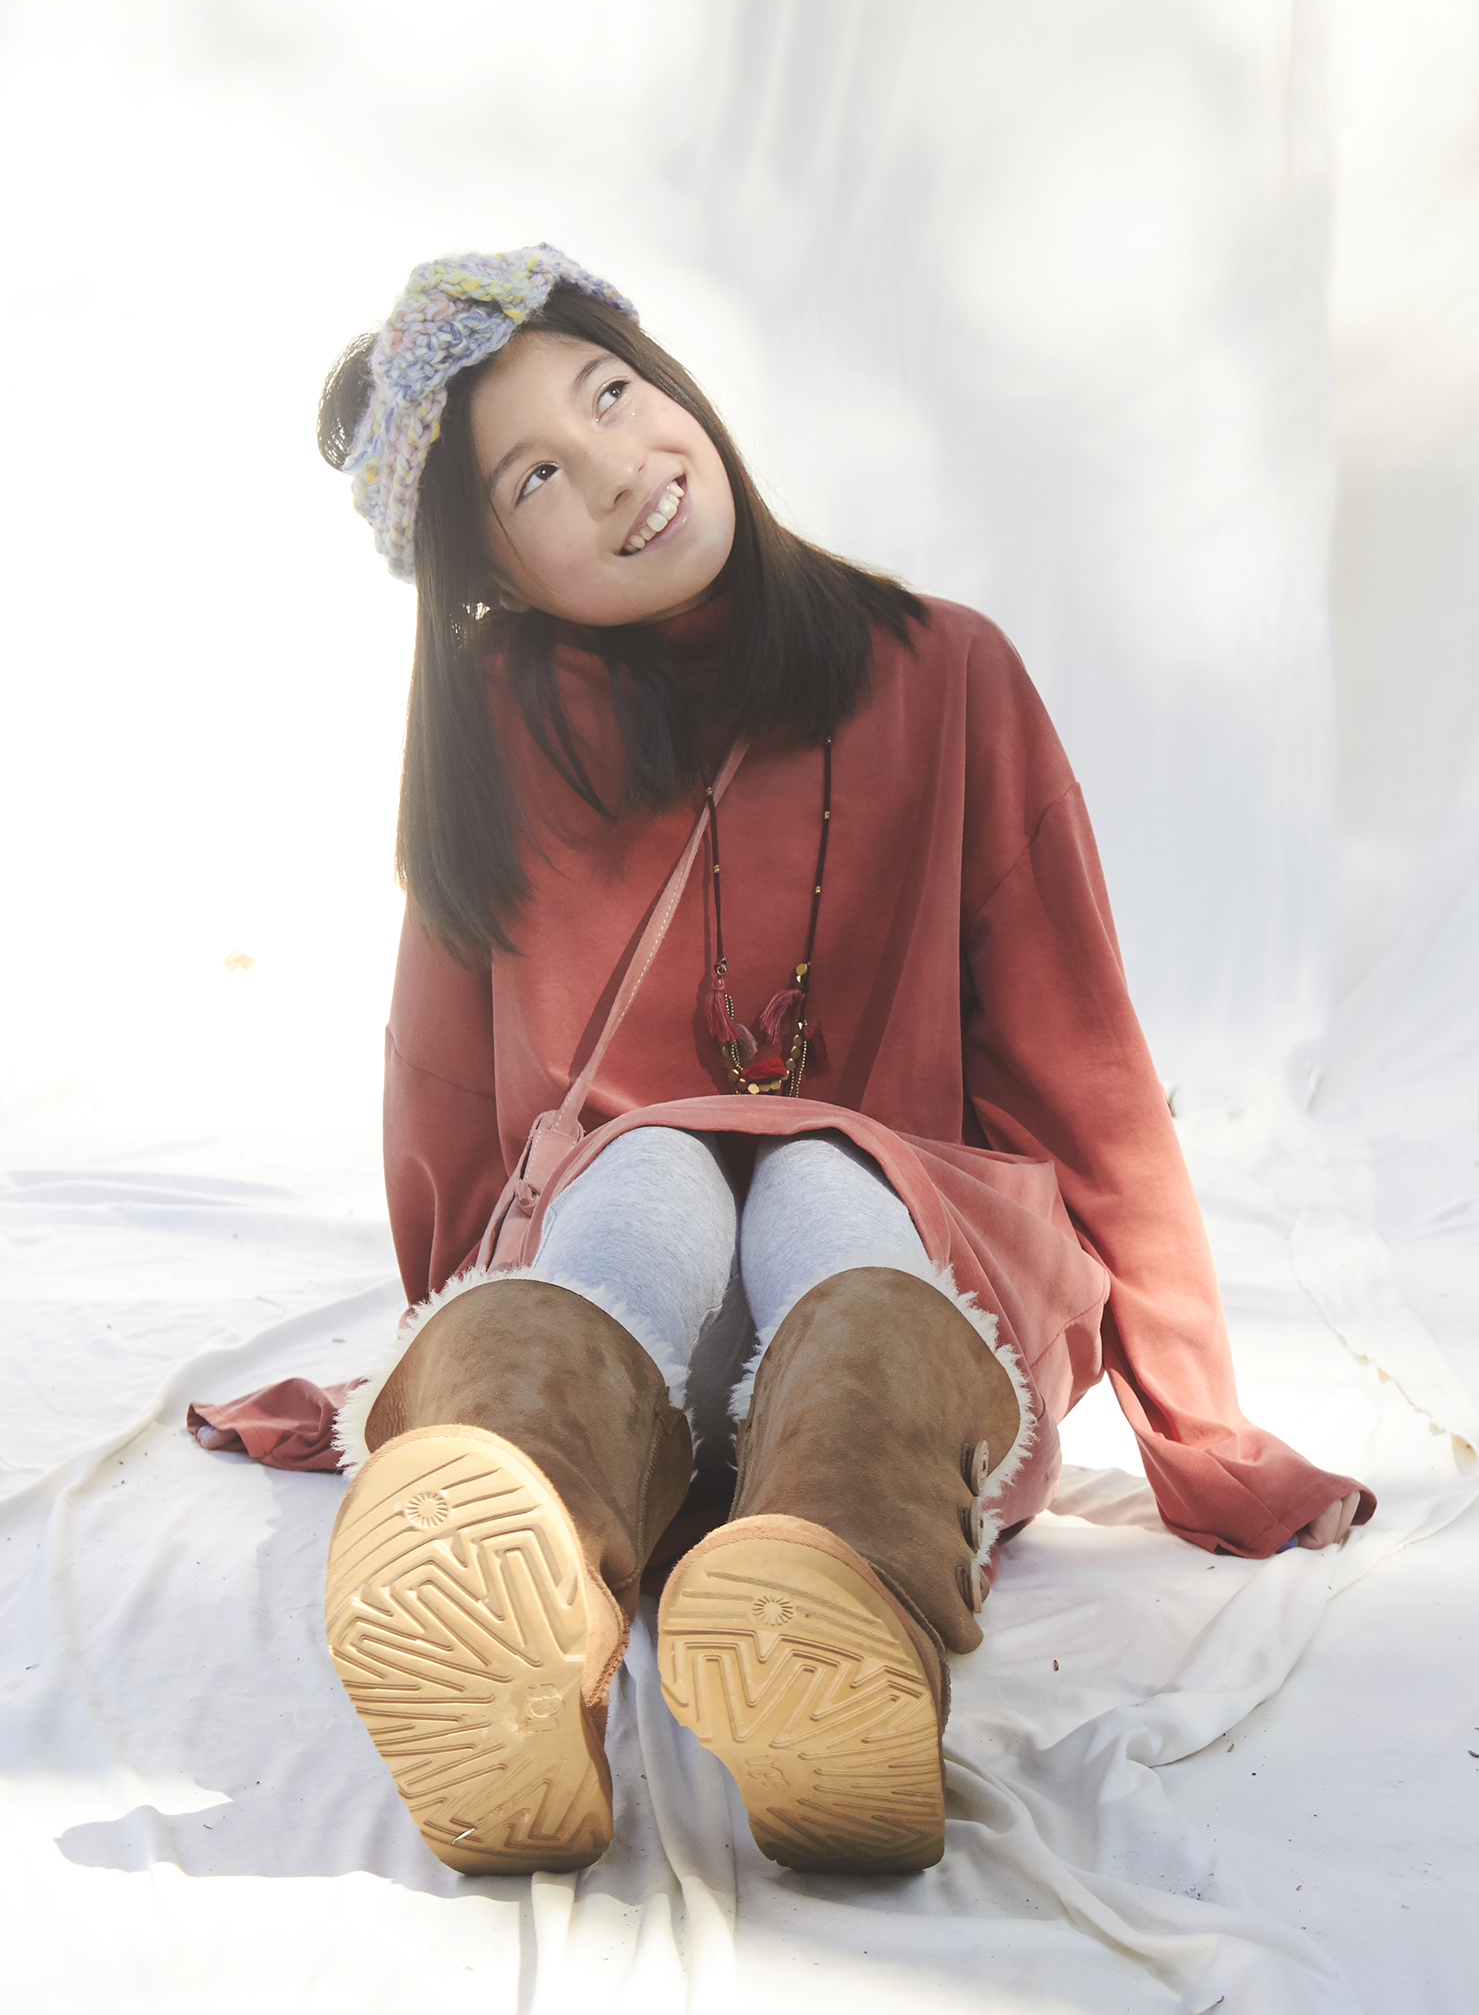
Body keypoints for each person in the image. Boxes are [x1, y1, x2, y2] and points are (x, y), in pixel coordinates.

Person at [256, 245, 1374, 1880]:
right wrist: (427, 1369)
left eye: (612, 391)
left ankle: (837, 1592)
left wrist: (1196, 1426)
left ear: (670, 376)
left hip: (905, 1340)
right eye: (538, 478)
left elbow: (1086, 1072)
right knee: (645, 1162)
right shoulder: (500, 730)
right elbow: (438, 1098)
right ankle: (523, 1538)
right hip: (627, 1340)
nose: (623, 466)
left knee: (827, 1172)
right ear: (490, 575)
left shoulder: (946, 671)